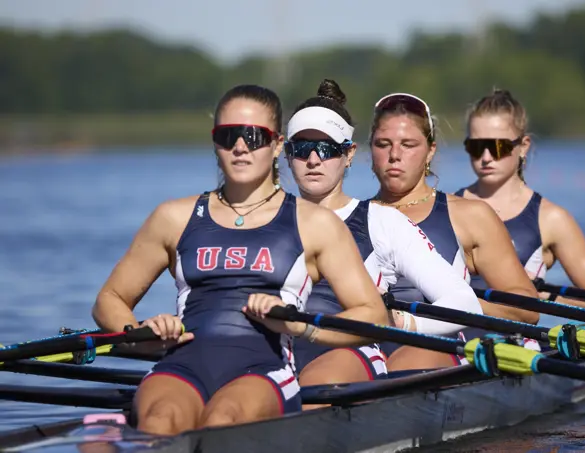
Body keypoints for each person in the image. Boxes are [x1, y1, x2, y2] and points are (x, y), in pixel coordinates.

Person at [92, 84, 389, 436]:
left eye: (254, 135)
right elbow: (109, 299)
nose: (240, 146)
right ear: (215, 142)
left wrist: (300, 326)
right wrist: (140, 335)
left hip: (264, 369)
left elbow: (373, 316)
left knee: (224, 423)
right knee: (159, 420)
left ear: (278, 145)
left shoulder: (315, 224)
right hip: (182, 364)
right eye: (228, 135)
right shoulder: (173, 217)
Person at [284, 79, 483, 394]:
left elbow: (465, 304)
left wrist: (403, 323)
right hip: (277, 356)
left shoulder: (381, 222)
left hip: (348, 358)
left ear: (349, 154)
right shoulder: (262, 222)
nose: (313, 160)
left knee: (308, 393)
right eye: (302, 148)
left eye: (326, 149)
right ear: (286, 153)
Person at [369, 92, 542, 372]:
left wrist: (456, 302)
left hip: (444, 353)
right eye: (383, 144)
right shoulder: (350, 221)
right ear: (370, 149)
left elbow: (527, 311)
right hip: (371, 356)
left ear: (431, 150)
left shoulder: (469, 216)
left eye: (409, 144)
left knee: (408, 361)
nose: (395, 155)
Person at [455, 88, 585, 315]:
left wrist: (544, 297)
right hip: (456, 342)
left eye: (498, 147)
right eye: (475, 147)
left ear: (523, 146)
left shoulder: (551, 218)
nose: (485, 157)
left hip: (517, 344)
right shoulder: (449, 206)